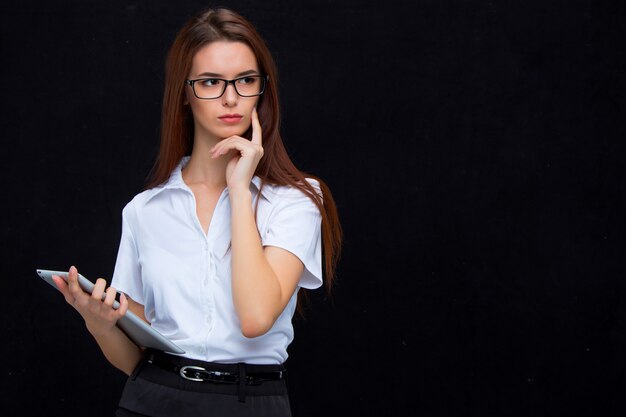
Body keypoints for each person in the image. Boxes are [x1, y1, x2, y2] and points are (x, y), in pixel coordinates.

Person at [52, 7, 341, 417]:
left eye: (245, 81)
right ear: (184, 93)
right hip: (151, 401)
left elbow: (256, 317)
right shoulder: (145, 210)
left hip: (249, 403)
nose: (229, 98)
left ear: (263, 90)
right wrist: (98, 323)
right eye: (210, 82)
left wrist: (240, 190)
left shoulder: (295, 200)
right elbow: (137, 361)